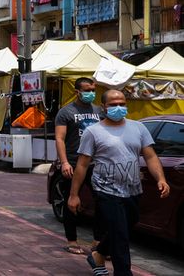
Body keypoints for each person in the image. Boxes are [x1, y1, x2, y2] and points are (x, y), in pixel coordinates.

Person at [68, 90, 170, 276]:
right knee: (120, 236)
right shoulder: (93, 131)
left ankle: (98, 255)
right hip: (106, 190)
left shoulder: (138, 128)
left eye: (122, 104)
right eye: (113, 104)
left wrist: (161, 179)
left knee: (125, 226)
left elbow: (150, 156)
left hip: (132, 189)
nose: (118, 107)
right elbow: (82, 164)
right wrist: (74, 195)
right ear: (104, 107)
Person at [54, 77, 102, 255]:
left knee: (102, 202)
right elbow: (60, 138)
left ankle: (98, 241)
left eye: (93, 90)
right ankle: (72, 241)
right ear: (77, 92)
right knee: (71, 202)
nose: (91, 93)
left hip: (96, 164)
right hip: (74, 163)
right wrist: (64, 162)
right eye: (87, 90)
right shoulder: (66, 112)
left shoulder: (99, 111)